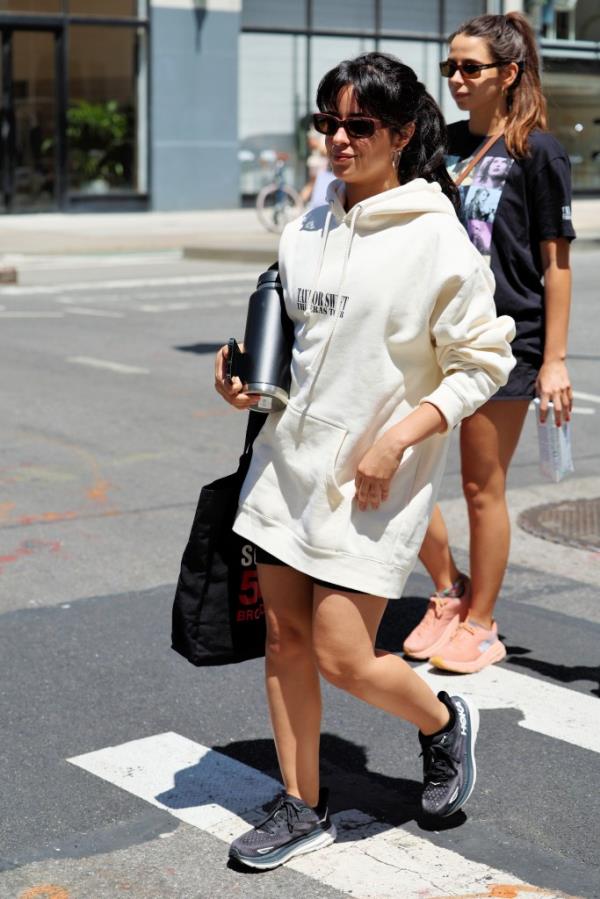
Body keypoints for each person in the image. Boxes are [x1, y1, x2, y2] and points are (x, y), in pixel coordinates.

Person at [214, 51, 515, 871]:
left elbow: (484, 361)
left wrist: (398, 437)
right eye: (328, 124)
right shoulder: (306, 225)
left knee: (346, 653)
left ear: (403, 132)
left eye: (360, 125)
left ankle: (442, 721)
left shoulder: (435, 239)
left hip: (375, 480)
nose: (339, 140)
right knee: (283, 640)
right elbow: (298, 344)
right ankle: (302, 804)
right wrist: (244, 378)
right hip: (287, 466)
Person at [403, 12, 575, 673]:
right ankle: (448, 591)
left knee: (481, 486)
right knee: (399, 471)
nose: (455, 78)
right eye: (448, 66)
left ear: (508, 73)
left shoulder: (538, 151)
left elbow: (555, 262)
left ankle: (481, 622)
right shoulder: (435, 143)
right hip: (432, 335)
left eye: (468, 67)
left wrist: (554, 358)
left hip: (506, 341)